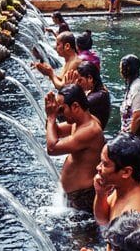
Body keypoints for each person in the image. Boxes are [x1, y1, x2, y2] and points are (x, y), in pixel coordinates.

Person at [45, 84, 105, 212]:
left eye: (62, 109)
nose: (60, 114)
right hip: (73, 195)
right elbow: (56, 131)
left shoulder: (90, 130)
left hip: (82, 198)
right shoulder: (79, 123)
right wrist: (51, 115)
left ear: (75, 106)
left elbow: (52, 148)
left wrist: (51, 118)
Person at [93, 134, 140, 226]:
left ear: (126, 172)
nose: (98, 167)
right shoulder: (129, 184)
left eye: (105, 164)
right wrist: (101, 194)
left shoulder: (132, 220)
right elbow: (103, 221)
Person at [65, 61, 110, 129]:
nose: (78, 83)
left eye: (80, 80)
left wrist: (70, 90)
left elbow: (75, 109)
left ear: (90, 78)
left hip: (91, 133)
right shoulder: (97, 89)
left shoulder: (98, 96)